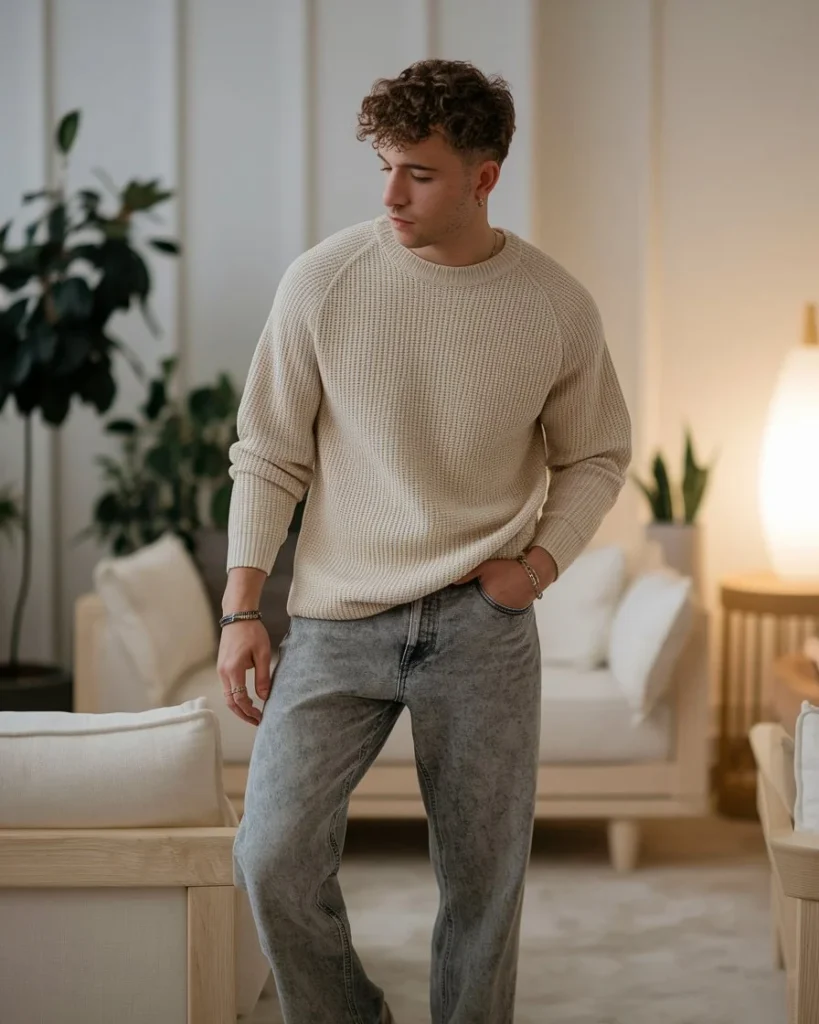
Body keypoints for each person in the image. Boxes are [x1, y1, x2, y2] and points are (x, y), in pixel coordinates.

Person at [218, 58, 631, 1024]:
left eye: (422, 173)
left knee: (484, 891)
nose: (393, 195)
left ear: (485, 178)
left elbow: (598, 457)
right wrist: (243, 605)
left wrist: (532, 569)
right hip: (336, 620)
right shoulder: (323, 281)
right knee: (269, 855)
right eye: (386, 167)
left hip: (480, 629)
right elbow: (268, 454)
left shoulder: (555, 305)